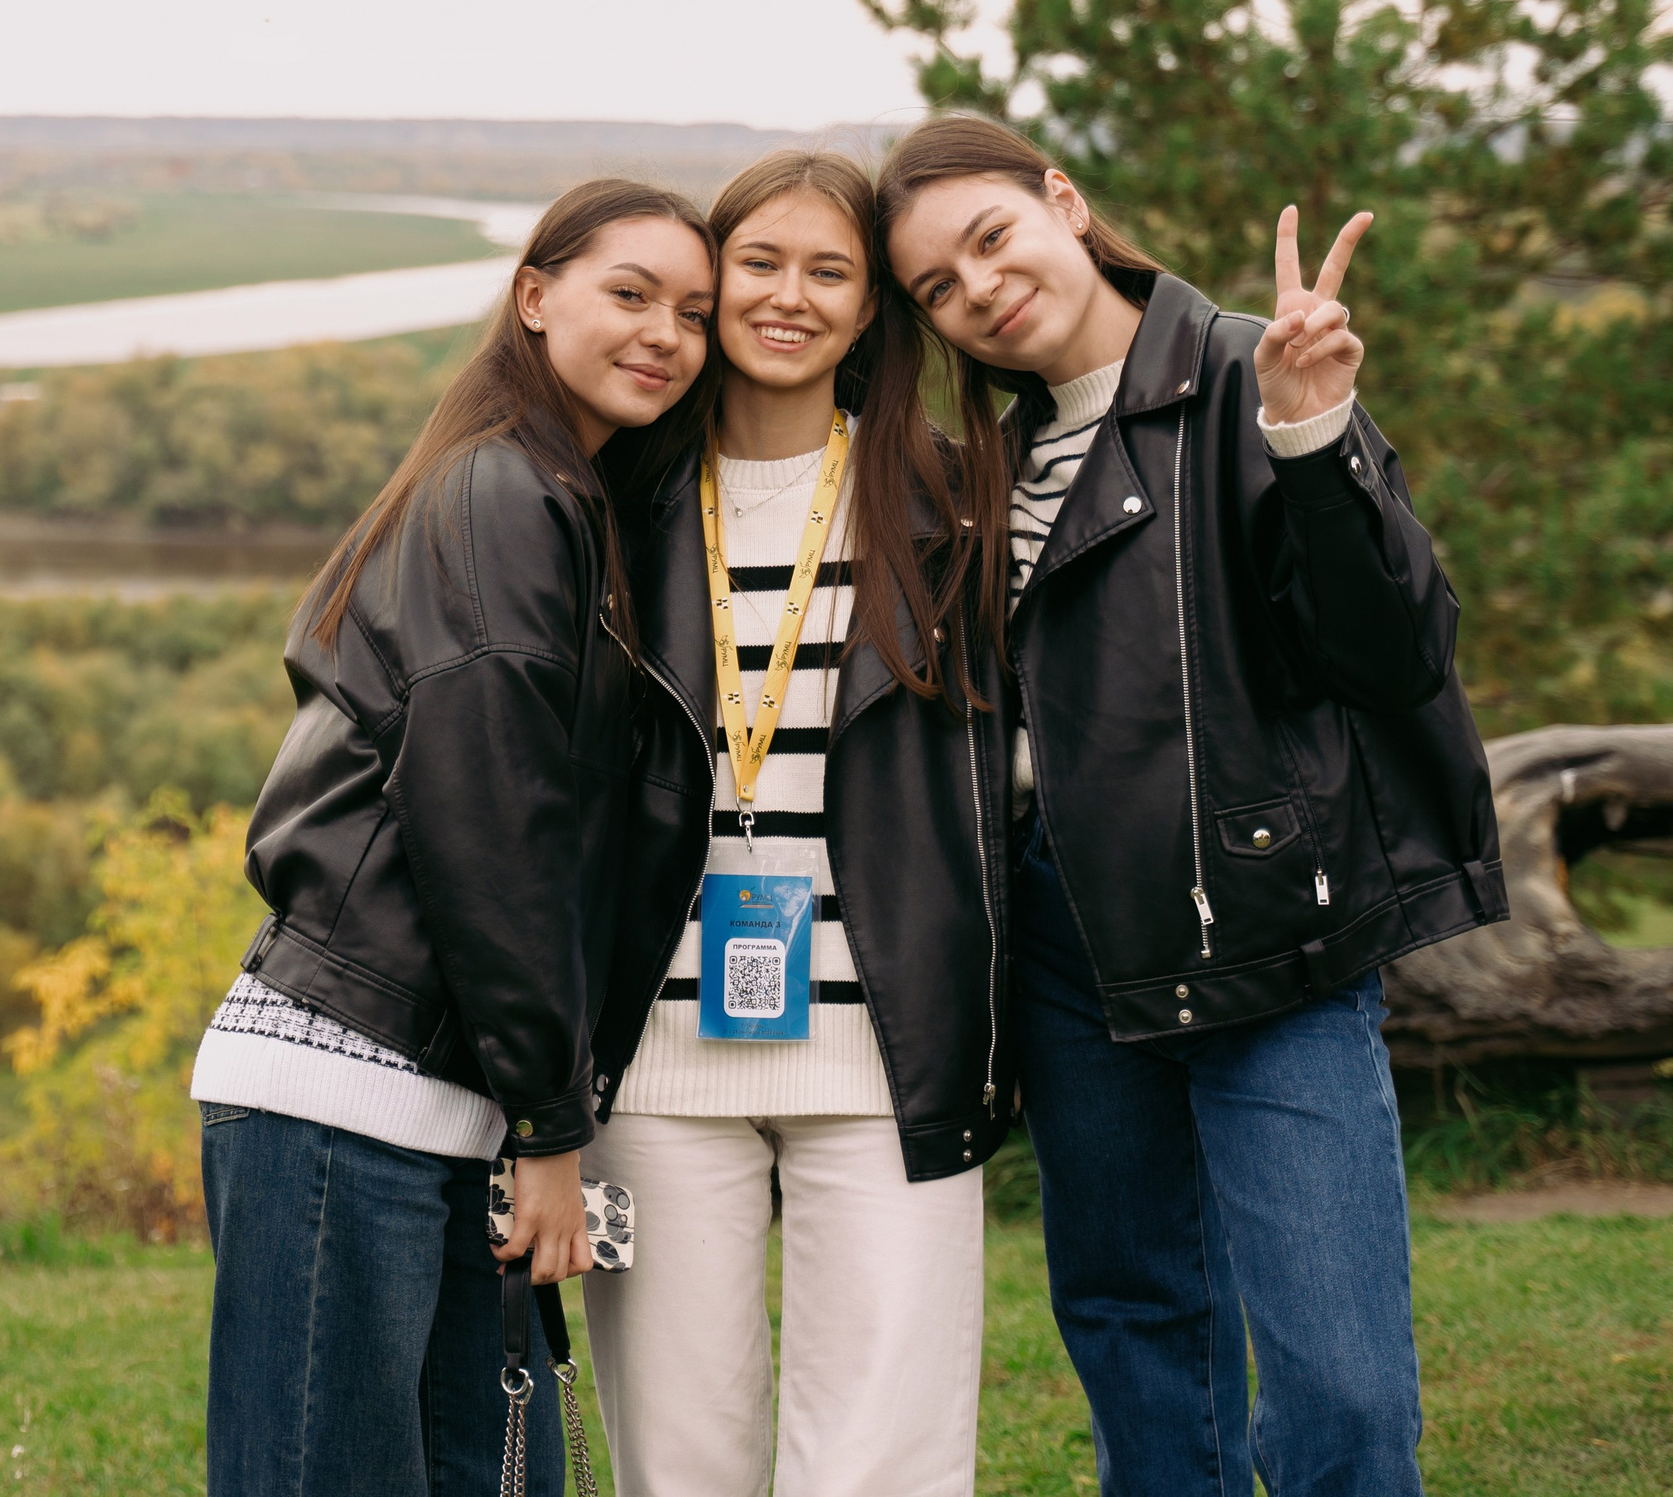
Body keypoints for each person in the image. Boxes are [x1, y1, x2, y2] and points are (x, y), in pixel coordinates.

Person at [877, 113, 1506, 1497]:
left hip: (1264, 930)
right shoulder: (982, 467)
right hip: (1066, 949)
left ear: (1063, 196)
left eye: (989, 238)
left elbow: (1394, 654)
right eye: (936, 287)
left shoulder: (1245, 376)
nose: (977, 288)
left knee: (1343, 1388)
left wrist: (1314, 436)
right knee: (1140, 1349)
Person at [191, 179, 718, 1497]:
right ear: (534, 297)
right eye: (631, 293)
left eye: (695, 313)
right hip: (344, 1091)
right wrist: (550, 1128)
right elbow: (491, 821)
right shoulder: (500, 497)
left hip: (440, 1101)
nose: (667, 333)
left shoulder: (570, 504)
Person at [579, 149, 1010, 1497]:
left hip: (892, 1052)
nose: (789, 296)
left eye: (831, 271)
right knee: (678, 1462)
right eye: (758, 264)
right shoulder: (613, 501)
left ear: (874, 305)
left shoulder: (954, 504)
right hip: (653, 1059)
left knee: (885, 1460)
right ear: (713, 286)